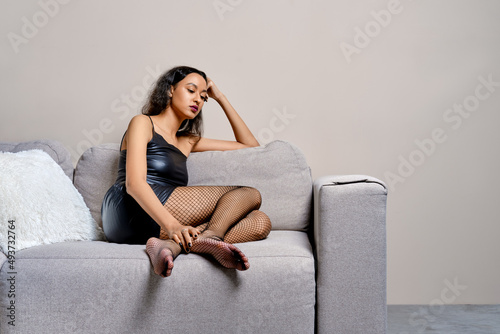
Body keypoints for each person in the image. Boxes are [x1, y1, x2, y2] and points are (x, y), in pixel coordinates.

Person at [101, 66, 271, 277]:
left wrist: (220, 98)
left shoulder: (188, 140)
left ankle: (170, 247)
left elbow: (252, 148)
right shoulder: (143, 122)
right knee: (250, 194)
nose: (198, 100)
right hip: (129, 207)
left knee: (259, 222)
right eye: (191, 91)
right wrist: (173, 225)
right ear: (171, 90)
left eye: (203, 97)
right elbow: (134, 184)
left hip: (160, 220)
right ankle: (211, 238)